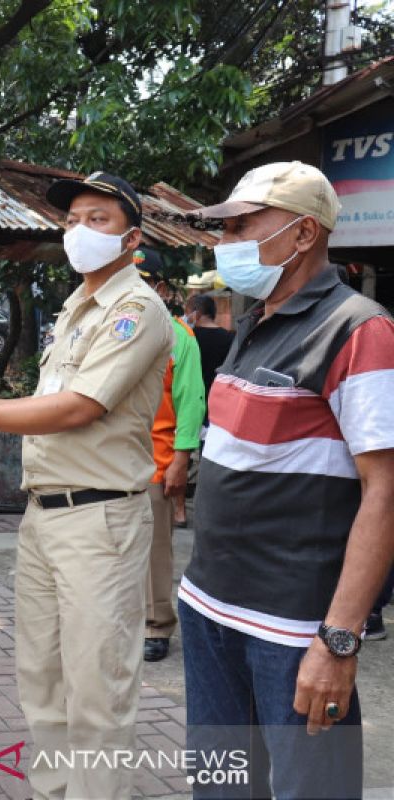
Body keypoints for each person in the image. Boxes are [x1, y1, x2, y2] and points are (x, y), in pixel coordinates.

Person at [0, 172, 172, 799]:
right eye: (72, 220)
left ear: (132, 237)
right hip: (44, 517)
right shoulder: (74, 307)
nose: (80, 232)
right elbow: (46, 400)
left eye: (99, 220)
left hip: (100, 521)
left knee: (97, 693)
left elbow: (80, 407)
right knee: (43, 681)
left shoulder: (135, 309)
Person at [180, 161, 394, 798]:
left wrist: (339, 640)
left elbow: (384, 492)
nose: (230, 239)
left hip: (294, 630)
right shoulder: (254, 321)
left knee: (312, 790)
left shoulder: (360, 330)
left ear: (303, 235)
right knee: (220, 786)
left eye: (246, 224)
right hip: (209, 608)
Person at [135, 249, 205, 663]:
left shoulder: (179, 337)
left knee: (154, 550)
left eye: (143, 283)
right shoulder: (111, 330)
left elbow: (191, 402)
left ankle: (156, 624)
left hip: (154, 463)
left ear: (160, 289)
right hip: (108, 461)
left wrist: (181, 459)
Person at [183, 293, 233, 424]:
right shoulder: (229, 338)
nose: (186, 317)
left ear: (196, 313)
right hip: (219, 401)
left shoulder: (189, 338)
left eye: (187, 312)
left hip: (190, 401)